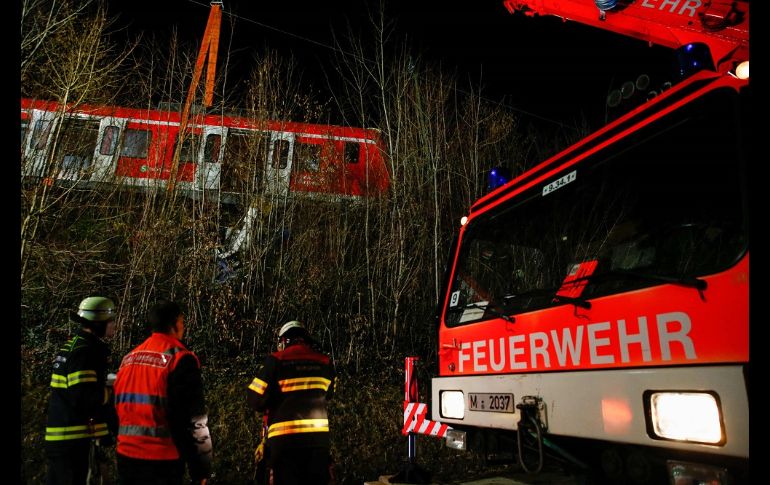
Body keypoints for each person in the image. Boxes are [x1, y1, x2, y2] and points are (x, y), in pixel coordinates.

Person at [114, 299, 213, 485]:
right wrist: (201, 469)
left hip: (126, 456)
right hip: (162, 461)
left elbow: (117, 407)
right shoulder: (180, 359)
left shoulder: (129, 358)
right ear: (175, 323)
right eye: (182, 322)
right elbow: (193, 420)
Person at [247, 320, 336, 485]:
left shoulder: (276, 360)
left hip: (284, 446)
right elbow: (329, 393)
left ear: (283, 341)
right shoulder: (325, 361)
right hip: (318, 445)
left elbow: (254, 398)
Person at [45, 296, 118, 485]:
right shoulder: (86, 352)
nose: (114, 325)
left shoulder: (75, 346)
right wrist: (111, 391)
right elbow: (84, 396)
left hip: (67, 439)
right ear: (98, 323)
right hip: (75, 441)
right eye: (111, 321)